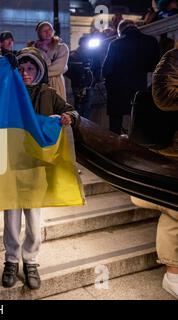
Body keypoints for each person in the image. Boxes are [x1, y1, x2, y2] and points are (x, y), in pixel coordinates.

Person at [2, 47, 80, 290]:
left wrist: (70, 118)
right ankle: (11, 260)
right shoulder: (9, 91)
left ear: (39, 70)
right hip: (12, 161)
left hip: (37, 164)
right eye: (21, 69)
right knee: (11, 215)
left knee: (34, 216)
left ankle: (31, 260)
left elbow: (70, 110)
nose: (25, 73)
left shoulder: (48, 93)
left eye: (30, 68)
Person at [132, 48, 178, 299]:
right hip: (171, 151)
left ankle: (173, 275)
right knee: (174, 207)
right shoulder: (173, 58)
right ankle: (173, 274)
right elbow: (163, 96)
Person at [102, 20, 160, 135]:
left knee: (115, 124)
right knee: (140, 121)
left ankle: (113, 147)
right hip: (141, 86)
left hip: (118, 88)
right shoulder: (151, 41)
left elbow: (107, 69)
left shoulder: (116, 44)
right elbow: (156, 65)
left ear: (120, 31)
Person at [28, 21, 69, 101]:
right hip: (39, 86)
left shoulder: (61, 47)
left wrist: (40, 72)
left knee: (56, 108)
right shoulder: (33, 49)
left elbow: (59, 68)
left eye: (50, 29)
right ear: (39, 33)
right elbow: (31, 67)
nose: (48, 32)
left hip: (56, 84)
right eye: (44, 30)